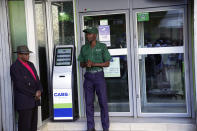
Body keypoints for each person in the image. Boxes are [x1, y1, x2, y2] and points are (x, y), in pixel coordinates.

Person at [78, 27, 111, 131]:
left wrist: (94, 64)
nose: (87, 36)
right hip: (88, 77)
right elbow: (81, 64)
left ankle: (105, 128)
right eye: (87, 34)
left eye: (89, 34)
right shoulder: (84, 48)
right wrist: (85, 64)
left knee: (103, 102)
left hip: (98, 76)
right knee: (88, 103)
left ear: (95, 35)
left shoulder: (102, 46)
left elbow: (107, 63)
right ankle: (90, 128)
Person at [10, 45, 43, 131]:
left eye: (28, 54)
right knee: (25, 127)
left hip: (34, 100)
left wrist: (39, 90)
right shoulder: (15, 67)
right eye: (25, 54)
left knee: (33, 126)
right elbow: (20, 85)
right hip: (24, 102)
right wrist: (34, 93)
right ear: (19, 55)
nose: (28, 56)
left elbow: (37, 79)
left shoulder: (31, 64)